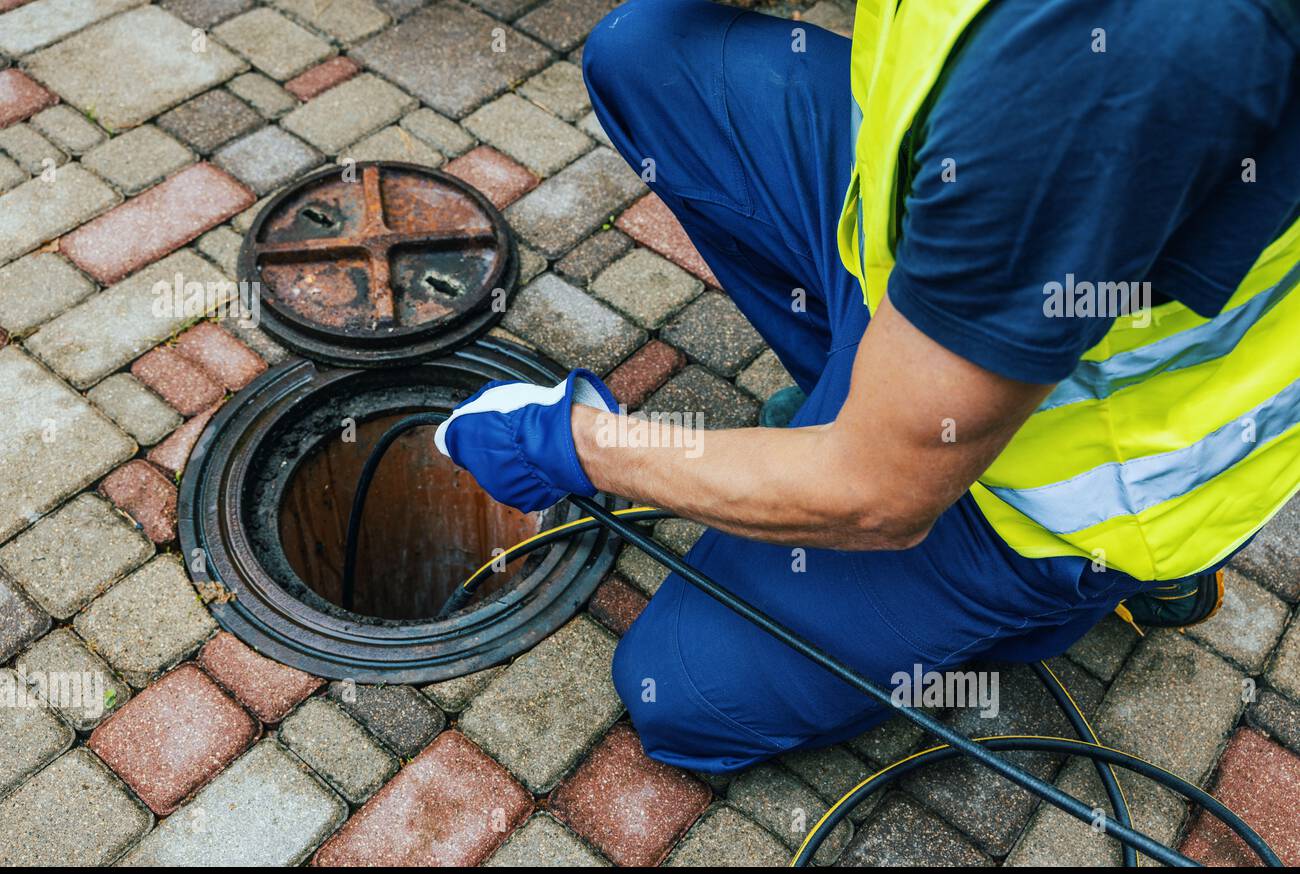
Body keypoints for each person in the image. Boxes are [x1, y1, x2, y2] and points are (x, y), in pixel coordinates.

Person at [434, 0, 1300, 772]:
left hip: (1053, 484)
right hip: (945, 244)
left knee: (682, 693)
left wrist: (574, 442)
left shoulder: (1108, 58)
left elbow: (876, 496)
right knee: (648, 49)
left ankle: (1065, 602)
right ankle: (877, 404)